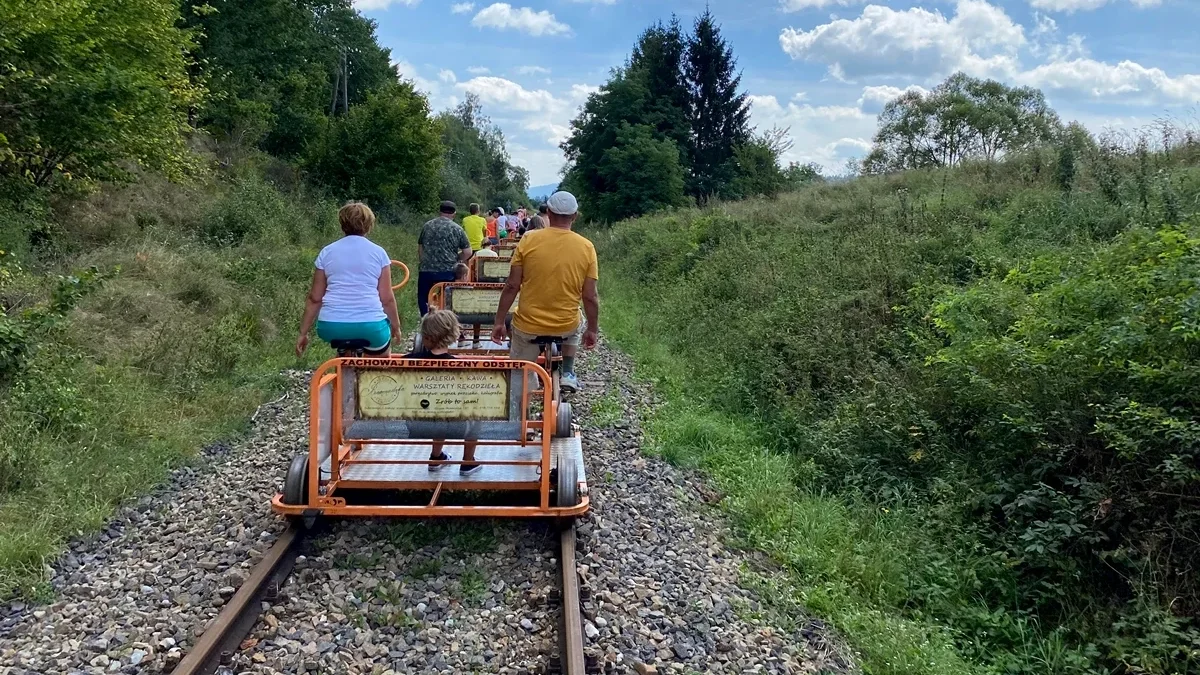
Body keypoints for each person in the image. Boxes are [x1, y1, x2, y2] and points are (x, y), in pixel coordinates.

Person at [491, 191, 598, 393]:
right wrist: (592, 329)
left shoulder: (528, 240)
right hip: (565, 326)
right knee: (578, 318)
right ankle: (567, 372)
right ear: (574, 216)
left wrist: (499, 321)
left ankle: (524, 392)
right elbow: (590, 296)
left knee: (518, 374)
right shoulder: (587, 247)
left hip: (528, 326)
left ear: (548, 212)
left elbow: (512, 286)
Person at [296, 202, 402, 357]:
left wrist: (303, 333)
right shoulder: (379, 253)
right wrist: (396, 326)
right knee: (382, 361)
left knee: (343, 356)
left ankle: (341, 376)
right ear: (369, 225)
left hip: (331, 326)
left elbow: (315, 298)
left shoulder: (327, 252)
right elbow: (386, 299)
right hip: (371, 325)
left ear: (342, 224)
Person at [403, 310, 481, 475]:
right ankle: (468, 462)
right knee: (471, 410)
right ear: (452, 334)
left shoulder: (406, 361)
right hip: (455, 426)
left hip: (413, 424)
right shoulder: (460, 368)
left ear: (425, 336)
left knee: (434, 408)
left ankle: (436, 456)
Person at [417, 201, 471, 316]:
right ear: (454, 214)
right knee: (447, 300)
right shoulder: (457, 229)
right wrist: (457, 259)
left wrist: (424, 261)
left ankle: (426, 320)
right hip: (448, 271)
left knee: (424, 298)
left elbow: (421, 247)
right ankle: (446, 322)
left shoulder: (427, 226)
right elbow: (468, 252)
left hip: (426, 270)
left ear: (439, 211)